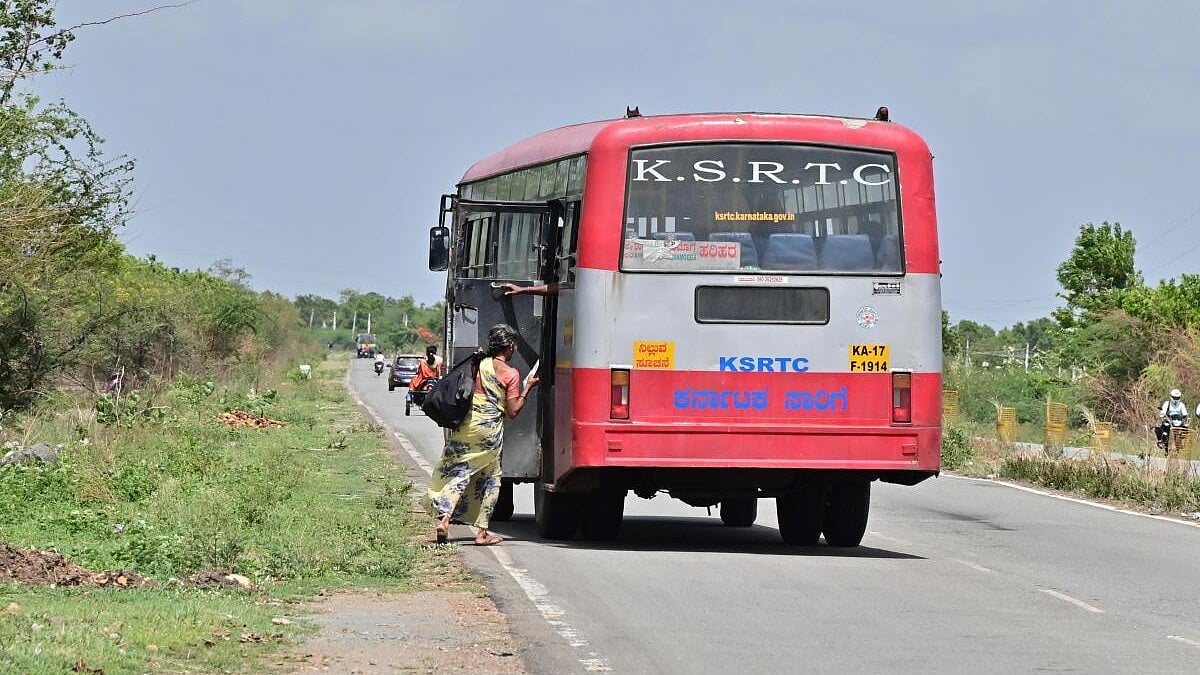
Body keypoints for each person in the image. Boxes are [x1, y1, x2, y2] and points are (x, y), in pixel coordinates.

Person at [425, 324, 538, 546]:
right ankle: (482, 532)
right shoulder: (511, 374)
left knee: (456, 473)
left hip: (466, 426)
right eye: (513, 344)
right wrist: (528, 387)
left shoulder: (478, 364)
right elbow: (513, 411)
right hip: (489, 432)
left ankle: (444, 519)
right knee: (491, 479)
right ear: (508, 347)